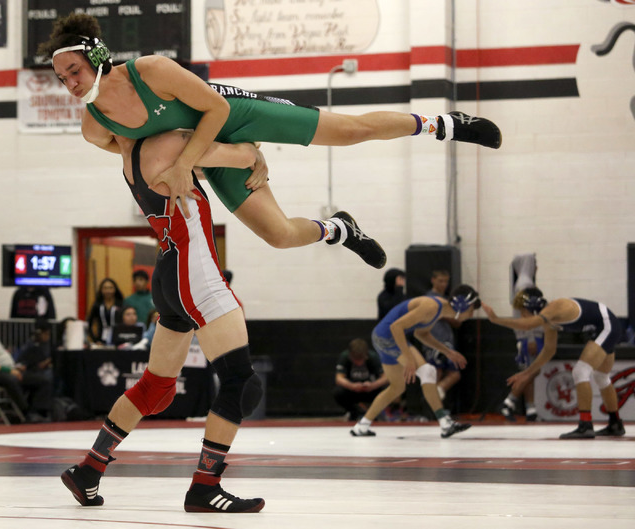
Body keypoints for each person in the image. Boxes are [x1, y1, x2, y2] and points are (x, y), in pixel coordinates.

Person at [40, 14, 502, 269]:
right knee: (279, 236)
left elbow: (216, 110)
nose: (70, 84)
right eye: (62, 79)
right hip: (211, 152)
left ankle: (443, 122)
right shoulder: (96, 126)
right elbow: (155, 161)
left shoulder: (152, 71)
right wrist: (226, 159)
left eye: (74, 71)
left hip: (236, 115)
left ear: (97, 55)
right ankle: (340, 229)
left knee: (351, 132)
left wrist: (236, 148)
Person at [60, 131, 267, 512]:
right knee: (241, 382)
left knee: (156, 387)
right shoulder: (167, 144)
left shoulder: (132, 149)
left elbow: (203, 169)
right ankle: (205, 487)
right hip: (193, 269)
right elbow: (239, 158)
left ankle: (89, 468)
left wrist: (238, 155)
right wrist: (254, 150)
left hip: (168, 270)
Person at [482, 289, 626, 438]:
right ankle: (615, 423)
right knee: (601, 376)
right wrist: (526, 373)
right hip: (605, 325)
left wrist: (496, 319)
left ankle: (585, 425)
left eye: (523, 311)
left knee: (580, 372)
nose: (522, 316)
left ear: (531, 307)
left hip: (607, 325)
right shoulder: (550, 320)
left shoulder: (555, 308)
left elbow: (528, 324)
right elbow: (549, 350)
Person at [351, 285, 480, 438]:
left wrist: (447, 351)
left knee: (397, 388)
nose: (472, 315)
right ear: (462, 305)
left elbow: (421, 334)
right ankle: (445, 424)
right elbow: (396, 327)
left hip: (384, 337)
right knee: (427, 371)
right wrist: (410, 360)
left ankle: (362, 426)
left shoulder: (438, 309)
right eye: (471, 310)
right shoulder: (431, 307)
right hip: (388, 337)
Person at [501, 253, 543, 421]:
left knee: (529, 372)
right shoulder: (524, 285)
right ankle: (509, 402)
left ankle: (530, 409)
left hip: (528, 335)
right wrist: (531, 338)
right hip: (528, 336)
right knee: (531, 371)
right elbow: (526, 314)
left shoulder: (523, 284)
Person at [422, 270, 463, 402]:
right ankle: (433, 406)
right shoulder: (429, 298)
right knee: (436, 372)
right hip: (434, 341)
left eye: (446, 281)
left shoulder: (446, 299)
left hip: (447, 341)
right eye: (440, 281)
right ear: (433, 280)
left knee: (454, 373)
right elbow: (451, 318)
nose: (443, 284)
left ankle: (438, 391)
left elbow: (457, 321)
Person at [334, 338, 388, 421]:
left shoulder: (373, 357)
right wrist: (352, 386)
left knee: (387, 390)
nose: (358, 363)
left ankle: (374, 412)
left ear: (366, 355)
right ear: (350, 355)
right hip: (352, 391)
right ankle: (354, 412)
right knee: (338, 392)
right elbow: (339, 378)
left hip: (370, 390)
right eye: (355, 359)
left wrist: (373, 385)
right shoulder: (344, 357)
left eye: (361, 359)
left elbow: (386, 377)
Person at [15, 319, 55, 421]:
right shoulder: (31, 345)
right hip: (27, 371)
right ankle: (38, 411)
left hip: (36, 371)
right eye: (45, 333)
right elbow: (24, 363)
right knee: (46, 378)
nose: (47, 336)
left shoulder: (48, 345)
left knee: (49, 376)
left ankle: (47, 410)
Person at [0, 334, 29, 421]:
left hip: (10, 369)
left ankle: (39, 410)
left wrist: (15, 367)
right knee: (12, 380)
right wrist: (9, 370)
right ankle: (25, 412)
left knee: (36, 378)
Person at [86, 278, 124, 345]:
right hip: (101, 340)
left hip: (118, 340)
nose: (108, 291)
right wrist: (95, 340)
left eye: (110, 288)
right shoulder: (97, 305)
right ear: (101, 290)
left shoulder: (120, 304)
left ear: (115, 289)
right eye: (105, 288)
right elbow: (89, 323)